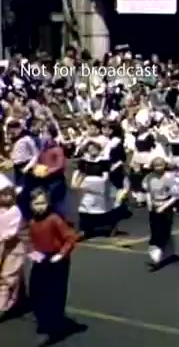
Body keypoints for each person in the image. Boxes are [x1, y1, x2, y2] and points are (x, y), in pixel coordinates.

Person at [27, 188, 80, 345]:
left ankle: (52, 328)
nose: (40, 207)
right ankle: (43, 320)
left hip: (56, 260)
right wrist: (32, 252)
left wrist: (61, 254)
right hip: (41, 258)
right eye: (36, 203)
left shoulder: (54, 219)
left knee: (54, 294)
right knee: (36, 291)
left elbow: (70, 238)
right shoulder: (32, 221)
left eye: (43, 203)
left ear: (48, 203)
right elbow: (30, 240)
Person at [143, 156, 178, 267]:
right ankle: (168, 253)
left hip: (166, 206)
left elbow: (175, 196)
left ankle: (157, 255)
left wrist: (164, 207)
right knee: (155, 229)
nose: (158, 168)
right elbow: (148, 191)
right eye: (156, 165)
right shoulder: (149, 177)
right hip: (154, 206)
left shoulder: (169, 177)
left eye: (161, 165)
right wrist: (149, 202)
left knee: (164, 230)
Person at [71, 140, 112, 238]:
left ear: (98, 149)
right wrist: (75, 183)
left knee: (99, 209)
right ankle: (84, 230)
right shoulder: (84, 161)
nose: (92, 151)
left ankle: (106, 227)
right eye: (90, 150)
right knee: (84, 208)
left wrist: (101, 183)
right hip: (85, 186)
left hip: (99, 188)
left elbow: (106, 175)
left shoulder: (103, 161)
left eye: (94, 149)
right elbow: (78, 172)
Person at [0, 174, 27, 320]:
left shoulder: (14, 211)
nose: (6, 198)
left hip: (12, 247)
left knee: (8, 276)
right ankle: (20, 298)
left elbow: (11, 233)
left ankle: (3, 306)